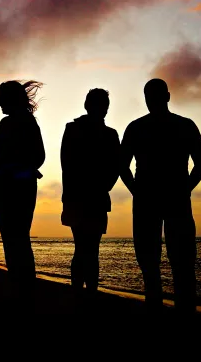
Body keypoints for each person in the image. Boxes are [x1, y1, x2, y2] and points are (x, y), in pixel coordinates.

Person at [120, 79, 201, 316]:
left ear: (166, 97)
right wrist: (185, 188)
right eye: (150, 97)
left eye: (153, 96)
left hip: (161, 200)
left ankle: (164, 313)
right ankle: (176, 314)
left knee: (166, 264)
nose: (153, 101)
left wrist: (138, 190)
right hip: (163, 200)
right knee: (174, 265)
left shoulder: (139, 128)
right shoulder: (182, 125)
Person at [60, 88, 120, 298]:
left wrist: (104, 186)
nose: (102, 109)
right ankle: (84, 293)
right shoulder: (75, 129)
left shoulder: (108, 134)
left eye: (104, 105)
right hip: (82, 198)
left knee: (87, 249)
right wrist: (102, 186)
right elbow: (66, 164)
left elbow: (115, 167)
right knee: (87, 249)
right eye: (99, 105)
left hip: (90, 198)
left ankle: (85, 293)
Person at [0, 80, 45, 299]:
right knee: (15, 240)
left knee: (18, 239)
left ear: (11, 99)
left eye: (1, 98)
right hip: (7, 187)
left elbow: (38, 157)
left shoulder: (26, 123)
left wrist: (7, 159)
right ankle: (20, 286)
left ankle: (24, 289)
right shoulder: (9, 123)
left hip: (18, 187)